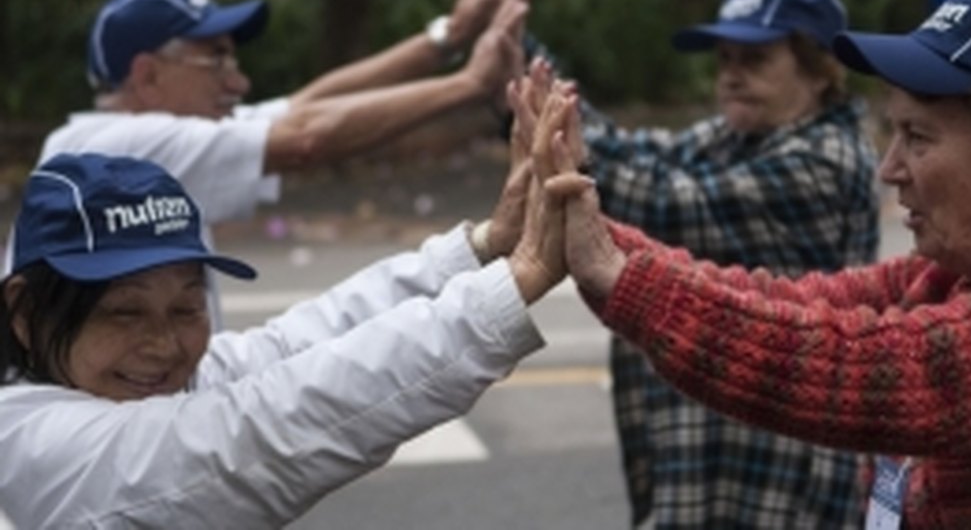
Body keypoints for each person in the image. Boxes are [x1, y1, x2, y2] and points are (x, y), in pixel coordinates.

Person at [533, 0, 971, 528]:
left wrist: (617, 272)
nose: (891, 170)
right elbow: (785, 301)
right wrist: (602, 247)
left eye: (919, 137)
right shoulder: (951, 276)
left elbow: (876, 370)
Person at [0, 57, 570, 527]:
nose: (165, 345)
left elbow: (297, 344)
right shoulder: (35, 443)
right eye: (124, 312)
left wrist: (483, 248)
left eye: (186, 306)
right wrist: (515, 284)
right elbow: (266, 427)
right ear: (24, 313)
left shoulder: (129, 383)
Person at [7, 0, 530, 330]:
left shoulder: (151, 137)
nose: (239, 82)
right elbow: (306, 137)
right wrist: (470, 83)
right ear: (147, 76)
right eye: (216, 61)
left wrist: (448, 36)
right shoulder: (113, 152)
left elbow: (309, 105)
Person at [577, 0, 878, 528]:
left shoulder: (827, 161)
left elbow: (660, 200)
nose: (732, 77)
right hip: (714, 456)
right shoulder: (735, 136)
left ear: (817, 70)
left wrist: (538, 126)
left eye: (755, 60)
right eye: (724, 60)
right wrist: (518, 73)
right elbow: (623, 149)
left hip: (785, 472)